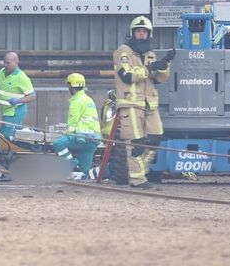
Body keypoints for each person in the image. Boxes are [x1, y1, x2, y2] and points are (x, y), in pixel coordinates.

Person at [113, 16, 174, 189]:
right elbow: (128, 75)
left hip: (150, 104)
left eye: (144, 32)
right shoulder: (123, 52)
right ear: (132, 33)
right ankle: (137, 179)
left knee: (156, 137)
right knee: (135, 143)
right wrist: (150, 68)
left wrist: (165, 63)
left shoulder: (150, 54)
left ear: (149, 35)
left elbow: (159, 79)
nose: (141, 35)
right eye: (139, 32)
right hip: (130, 104)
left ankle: (142, 172)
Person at [53, 73, 103, 180]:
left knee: (58, 144)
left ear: (70, 86)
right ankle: (108, 171)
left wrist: (67, 136)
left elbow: (73, 122)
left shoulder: (76, 101)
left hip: (82, 138)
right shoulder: (88, 99)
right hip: (93, 141)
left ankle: (72, 162)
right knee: (85, 170)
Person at [0, 52, 36, 146]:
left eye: (8, 63)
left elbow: (32, 96)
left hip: (15, 110)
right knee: (14, 134)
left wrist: (18, 101)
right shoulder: (0, 73)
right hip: (6, 110)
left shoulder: (21, 77)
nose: (5, 65)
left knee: (4, 135)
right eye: (4, 62)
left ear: (16, 63)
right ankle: (18, 153)